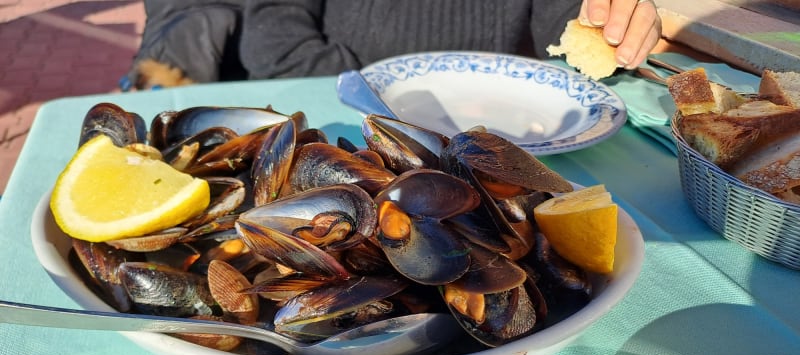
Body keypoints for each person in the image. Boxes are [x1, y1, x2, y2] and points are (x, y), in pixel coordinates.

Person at [123, 0, 661, 89]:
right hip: (343, 109)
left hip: (489, 132)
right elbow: (278, 34)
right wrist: (380, 93)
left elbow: (560, 30)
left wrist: (608, 20)